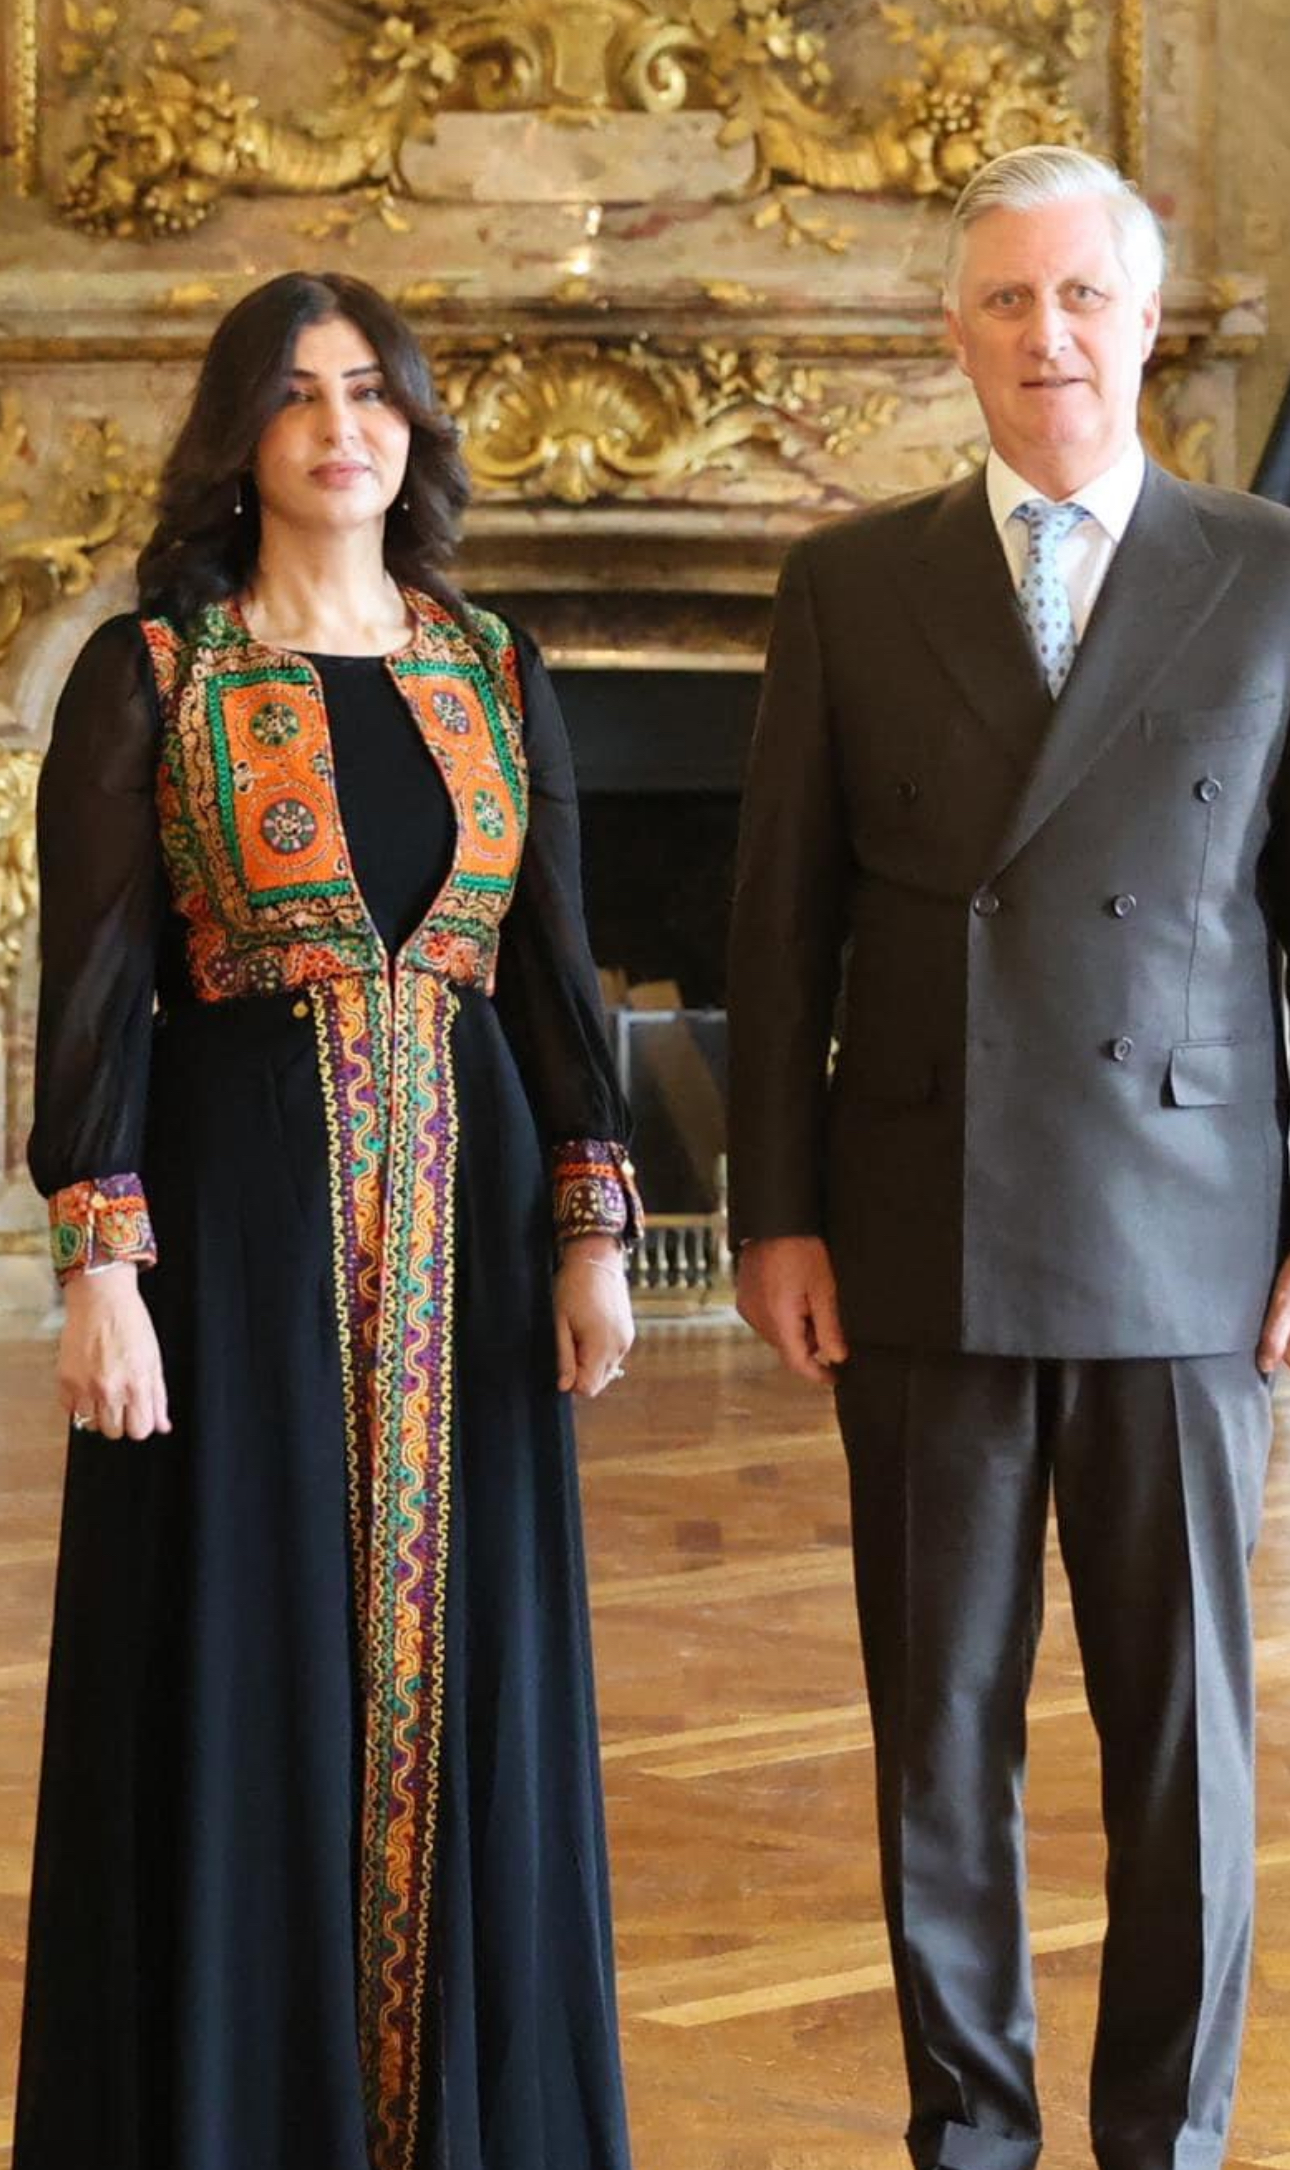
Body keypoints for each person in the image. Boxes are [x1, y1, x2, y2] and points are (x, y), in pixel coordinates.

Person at [16, 269, 640, 2170]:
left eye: (370, 390)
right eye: (296, 394)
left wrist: (590, 1225)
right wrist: (101, 1264)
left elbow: (556, 972)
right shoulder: (155, 674)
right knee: (239, 1666)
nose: (339, 426)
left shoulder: (490, 665)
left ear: (411, 425)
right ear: (242, 435)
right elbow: (94, 989)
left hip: (472, 1241)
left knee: (477, 1688)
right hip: (232, 1234)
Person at [728, 143, 1290, 2170]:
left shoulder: (1269, 568)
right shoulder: (849, 581)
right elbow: (778, 927)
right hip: (918, 1223)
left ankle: (1168, 2138)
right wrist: (774, 1208)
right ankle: (970, 2127)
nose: (1046, 335)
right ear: (952, 335)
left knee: (1183, 1741)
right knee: (938, 1732)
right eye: (1005, 301)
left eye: (1080, 297)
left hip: (1189, 1226)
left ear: (1143, 324)